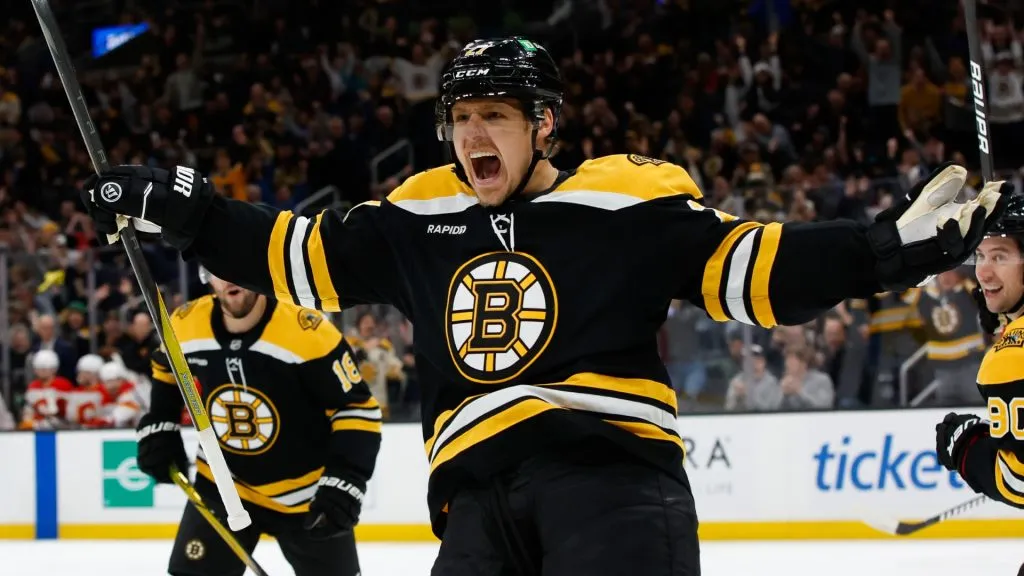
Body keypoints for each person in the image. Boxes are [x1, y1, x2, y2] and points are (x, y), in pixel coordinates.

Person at [79, 37, 1007, 576]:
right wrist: (177, 206)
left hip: (609, 482)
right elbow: (293, 254)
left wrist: (895, 249)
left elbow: (756, 270)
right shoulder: (416, 211)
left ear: (544, 125)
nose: (473, 134)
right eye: (460, 118)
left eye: (497, 116)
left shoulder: (626, 200)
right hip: (475, 504)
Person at [137, 267, 382, 576]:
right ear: (206, 277)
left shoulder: (308, 331)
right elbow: (166, 372)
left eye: (234, 264)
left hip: (307, 497)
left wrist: (345, 481)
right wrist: (161, 423)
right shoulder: (185, 325)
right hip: (223, 488)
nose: (228, 278)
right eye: (216, 269)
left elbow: (356, 409)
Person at [936, 195, 1024, 508]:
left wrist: (967, 448)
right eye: (980, 257)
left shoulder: (1010, 361)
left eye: (999, 257)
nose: (983, 273)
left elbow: (1019, 480)